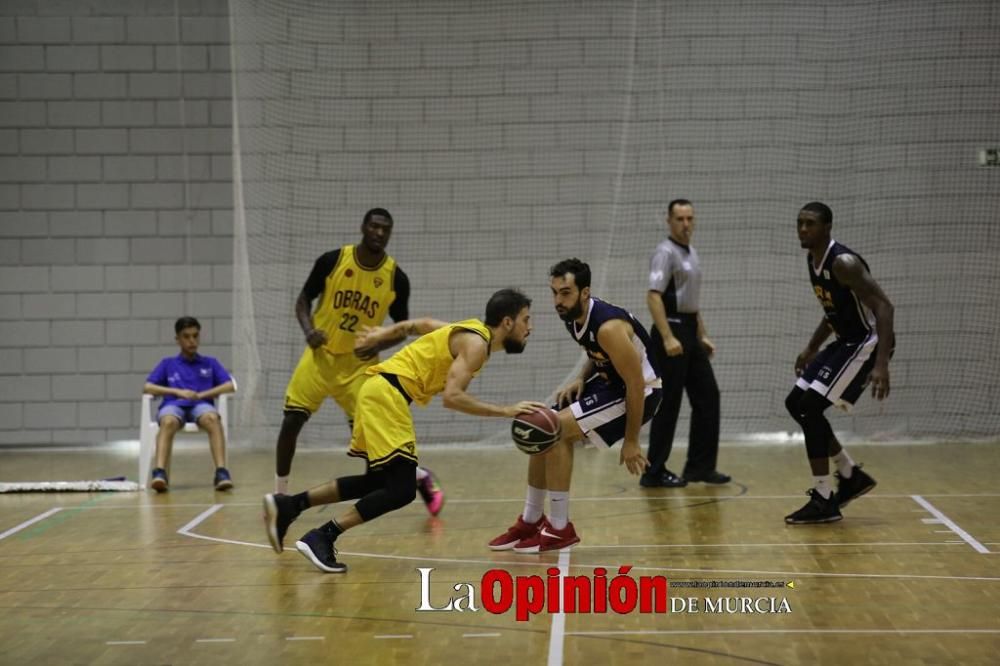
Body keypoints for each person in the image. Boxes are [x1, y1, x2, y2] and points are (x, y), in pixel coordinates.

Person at [263, 288, 545, 573]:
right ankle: (322, 535)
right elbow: (452, 397)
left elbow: (420, 325)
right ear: (507, 322)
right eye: (526, 319)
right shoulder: (477, 346)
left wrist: (383, 334)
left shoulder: (470, 330)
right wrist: (506, 410)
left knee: (377, 481)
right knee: (402, 490)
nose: (530, 327)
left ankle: (290, 505)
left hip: (377, 391)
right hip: (387, 395)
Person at [274, 208, 445, 516]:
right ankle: (279, 495)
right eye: (375, 227)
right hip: (319, 358)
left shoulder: (396, 277)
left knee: (376, 449)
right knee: (291, 422)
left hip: (358, 368)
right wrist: (309, 329)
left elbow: (402, 327)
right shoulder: (333, 261)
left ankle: (419, 477)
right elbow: (302, 300)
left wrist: (381, 340)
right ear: (363, 227)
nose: (379, 233)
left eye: (385, 229)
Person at [489, 259, 662, 553]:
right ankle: (531, 520)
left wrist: (631, 441)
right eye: (554, 292)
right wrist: (581, 379)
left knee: (554, 430)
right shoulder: (573, 316)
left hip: (640, 393)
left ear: (585, 292)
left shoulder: (608, 326)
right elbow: (597, 354)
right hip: (612, 383)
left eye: (565, 292)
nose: (558, 300)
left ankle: (559, 529)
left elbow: (636, 384)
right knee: (542, 422)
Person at [784, 201, 894, 524]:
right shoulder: (812, 259)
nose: (804, 229)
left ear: (827, 228)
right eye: (800, 223)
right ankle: (849, 474)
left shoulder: (843, 263)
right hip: (846, 341)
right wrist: (811, 348)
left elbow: (885, 308)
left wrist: (882, 364)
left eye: (811, 224)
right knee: (796, 403)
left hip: (867, 343)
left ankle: (824, 497)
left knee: (810, 406)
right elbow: (832, 311)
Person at [642, 199, 730, 488]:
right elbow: (654, 296)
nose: (686, 224)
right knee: (668, 404)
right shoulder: (664, 252)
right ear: (669, 220)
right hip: (672, 330)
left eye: (690, 218)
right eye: (680, 219)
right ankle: (653, 472)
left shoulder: (692, 252)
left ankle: (700, 467)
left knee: (708, 396)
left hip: (690, 330)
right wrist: (667, 337)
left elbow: (692, 303)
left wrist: (702, 334)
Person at [144, 316, 236, 492]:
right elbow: (148, 387)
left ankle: (221, 472)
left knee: (212, 419)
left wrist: (202, 394)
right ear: (178, 339)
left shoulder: (210, 363)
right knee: (168, 421)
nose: (192, 341)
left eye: (195, 336)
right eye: (186, 336)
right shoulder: (167, 363)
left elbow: (230, 385)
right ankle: (160, 472)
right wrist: (177, 392)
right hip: (174, 404)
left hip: (201, 405)